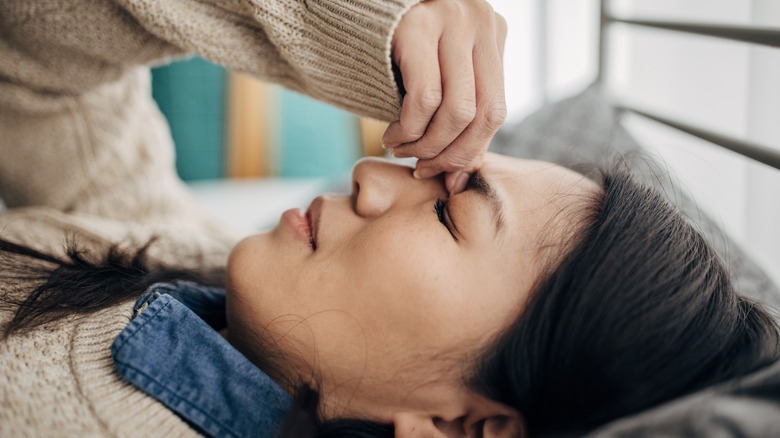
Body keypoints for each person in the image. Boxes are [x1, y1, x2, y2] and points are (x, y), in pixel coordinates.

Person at [2, 2, 779, 438]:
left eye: (446, 213)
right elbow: (33, 64)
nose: (371, 175)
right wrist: (370, 27)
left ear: (460, 426)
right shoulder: (177, 264)